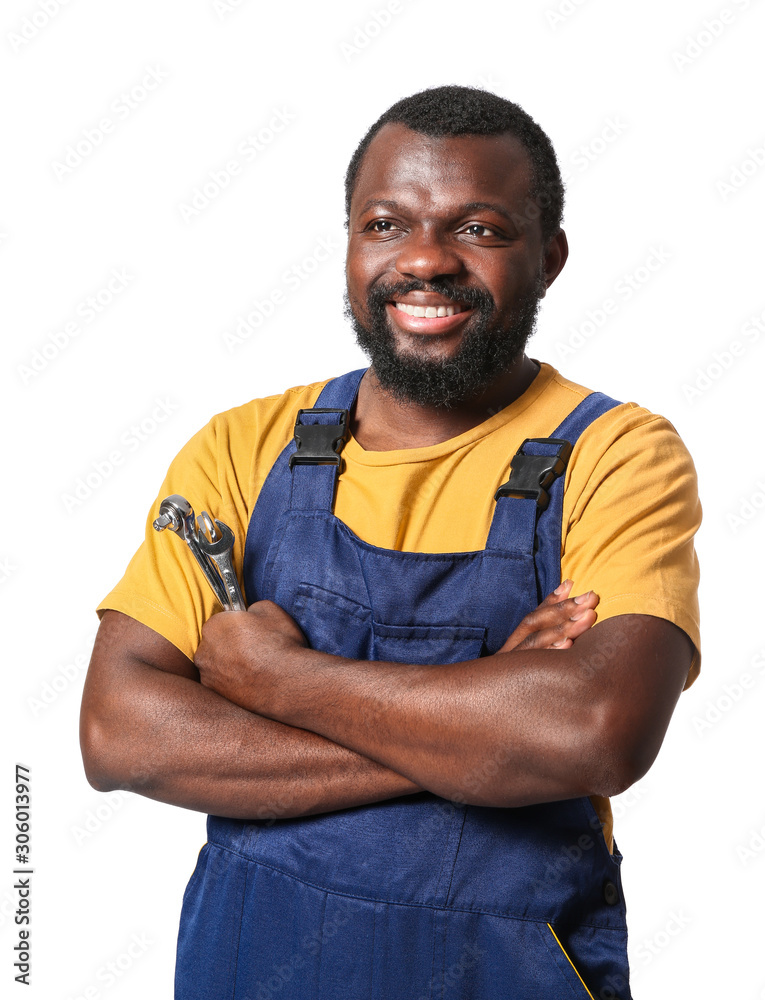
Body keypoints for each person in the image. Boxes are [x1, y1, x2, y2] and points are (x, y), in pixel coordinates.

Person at [80, 85, 701, 1000]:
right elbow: (119, 734)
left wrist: (280, 685)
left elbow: (593, 731)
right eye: (384, 224)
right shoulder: (242, 448)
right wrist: (483, 732)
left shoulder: (617, 455)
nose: (423, 260)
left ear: (549, 257)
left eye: (479, 230)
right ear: (348, 245)